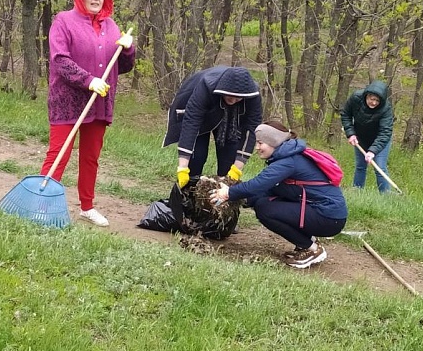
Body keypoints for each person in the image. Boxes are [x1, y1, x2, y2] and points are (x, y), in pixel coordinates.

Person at [40, 0, 135, 226]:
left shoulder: (111, 26)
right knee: (59, 152)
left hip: (98, 102)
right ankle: (42, 203)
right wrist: (88, 80)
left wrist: (128, 49)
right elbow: (60, 60)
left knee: (91, 156)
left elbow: (121, 67)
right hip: (67, 99)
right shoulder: (64, 21)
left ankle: (87, 207)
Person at [209, 121, 348, 269]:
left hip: (328, 217)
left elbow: (259, 184)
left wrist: (228, 193)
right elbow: (271, 189)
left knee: (265, 209)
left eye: (260, 143)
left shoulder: (288, 162)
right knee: (262, 202)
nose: (257, 148)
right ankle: (307, 242)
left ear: (273, 142)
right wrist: (241, 199)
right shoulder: (289, 156)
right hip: (325, 214)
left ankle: (312, 249)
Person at [162, 66, 263, 187]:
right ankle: (189, 194)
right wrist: (182, 168)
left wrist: (237, 168)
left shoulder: (252, 94)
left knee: (229, 159)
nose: (234, 100)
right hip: (201, 112)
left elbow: (251, 129)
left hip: (231, 119)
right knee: (197, 157)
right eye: (230, 96)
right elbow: (191, 123)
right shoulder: (205, 86)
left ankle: (224, 196)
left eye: (238, 98)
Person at [340, 80, 393, 193]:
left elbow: (385, 132)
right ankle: (357, 192)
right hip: (361, 138)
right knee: (360, 166)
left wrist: (372, 151)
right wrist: (351, 133)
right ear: (366, 95)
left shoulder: (386, 109)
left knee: (380, 167)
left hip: (380, 140)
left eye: (377, 100)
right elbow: (346, 114)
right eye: (371, 99)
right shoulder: (356, 98)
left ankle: (386, 197)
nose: (373, 103)